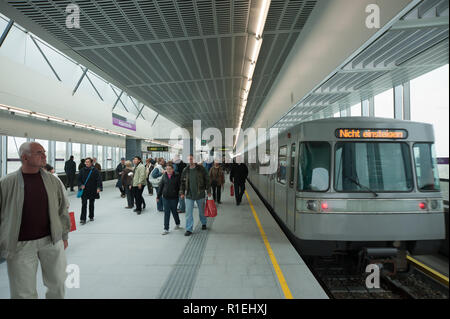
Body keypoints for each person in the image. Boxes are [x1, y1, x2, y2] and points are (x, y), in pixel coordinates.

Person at [0, 142, 70, 299]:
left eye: (44, 152)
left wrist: (64, 236)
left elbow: (62, 209)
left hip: (52, 240)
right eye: (39, 153)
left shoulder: (53, 181)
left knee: (58, 283)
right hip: (20, 245)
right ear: (24, 157)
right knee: (23, 292)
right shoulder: (6, 183)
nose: (44, 155)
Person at [179, 154, 212, 236]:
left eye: (191, 159)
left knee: (202, 211)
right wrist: (182, 192)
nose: (190, 161)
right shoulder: (185, 170)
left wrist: (208, 190)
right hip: (189, 195)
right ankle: (189, 229)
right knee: (188, 213)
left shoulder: (201, 169)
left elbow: (207, 180)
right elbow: (182, 182)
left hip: (200, 194)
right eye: (189, 159)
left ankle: (203, 223)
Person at [157, 164, 182, 235]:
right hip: (165, 197)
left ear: (173, 169)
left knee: (174, 211)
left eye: (170, 169)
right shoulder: (164, 176)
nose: (168, 170)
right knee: (166, 213)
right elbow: (161, 186)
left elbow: (180, 186)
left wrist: (181, 194)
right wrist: (158, 197)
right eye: (167, 169)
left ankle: (177, 223)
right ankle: (166, 228)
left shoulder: (176, 176)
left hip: (174, 197)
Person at [78, 157, 102, 224]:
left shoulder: (95, 170)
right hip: (84, 190)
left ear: (91, 163)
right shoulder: (82, 170)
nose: (86, 163)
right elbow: (79, 180)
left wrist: (99, 188)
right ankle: (83, 218)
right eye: (86, 162)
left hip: (92, 189)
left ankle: (91, 216)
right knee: (84, 204)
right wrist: (80, 185)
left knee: (91, 203)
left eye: (88, 162)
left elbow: (99, 179)